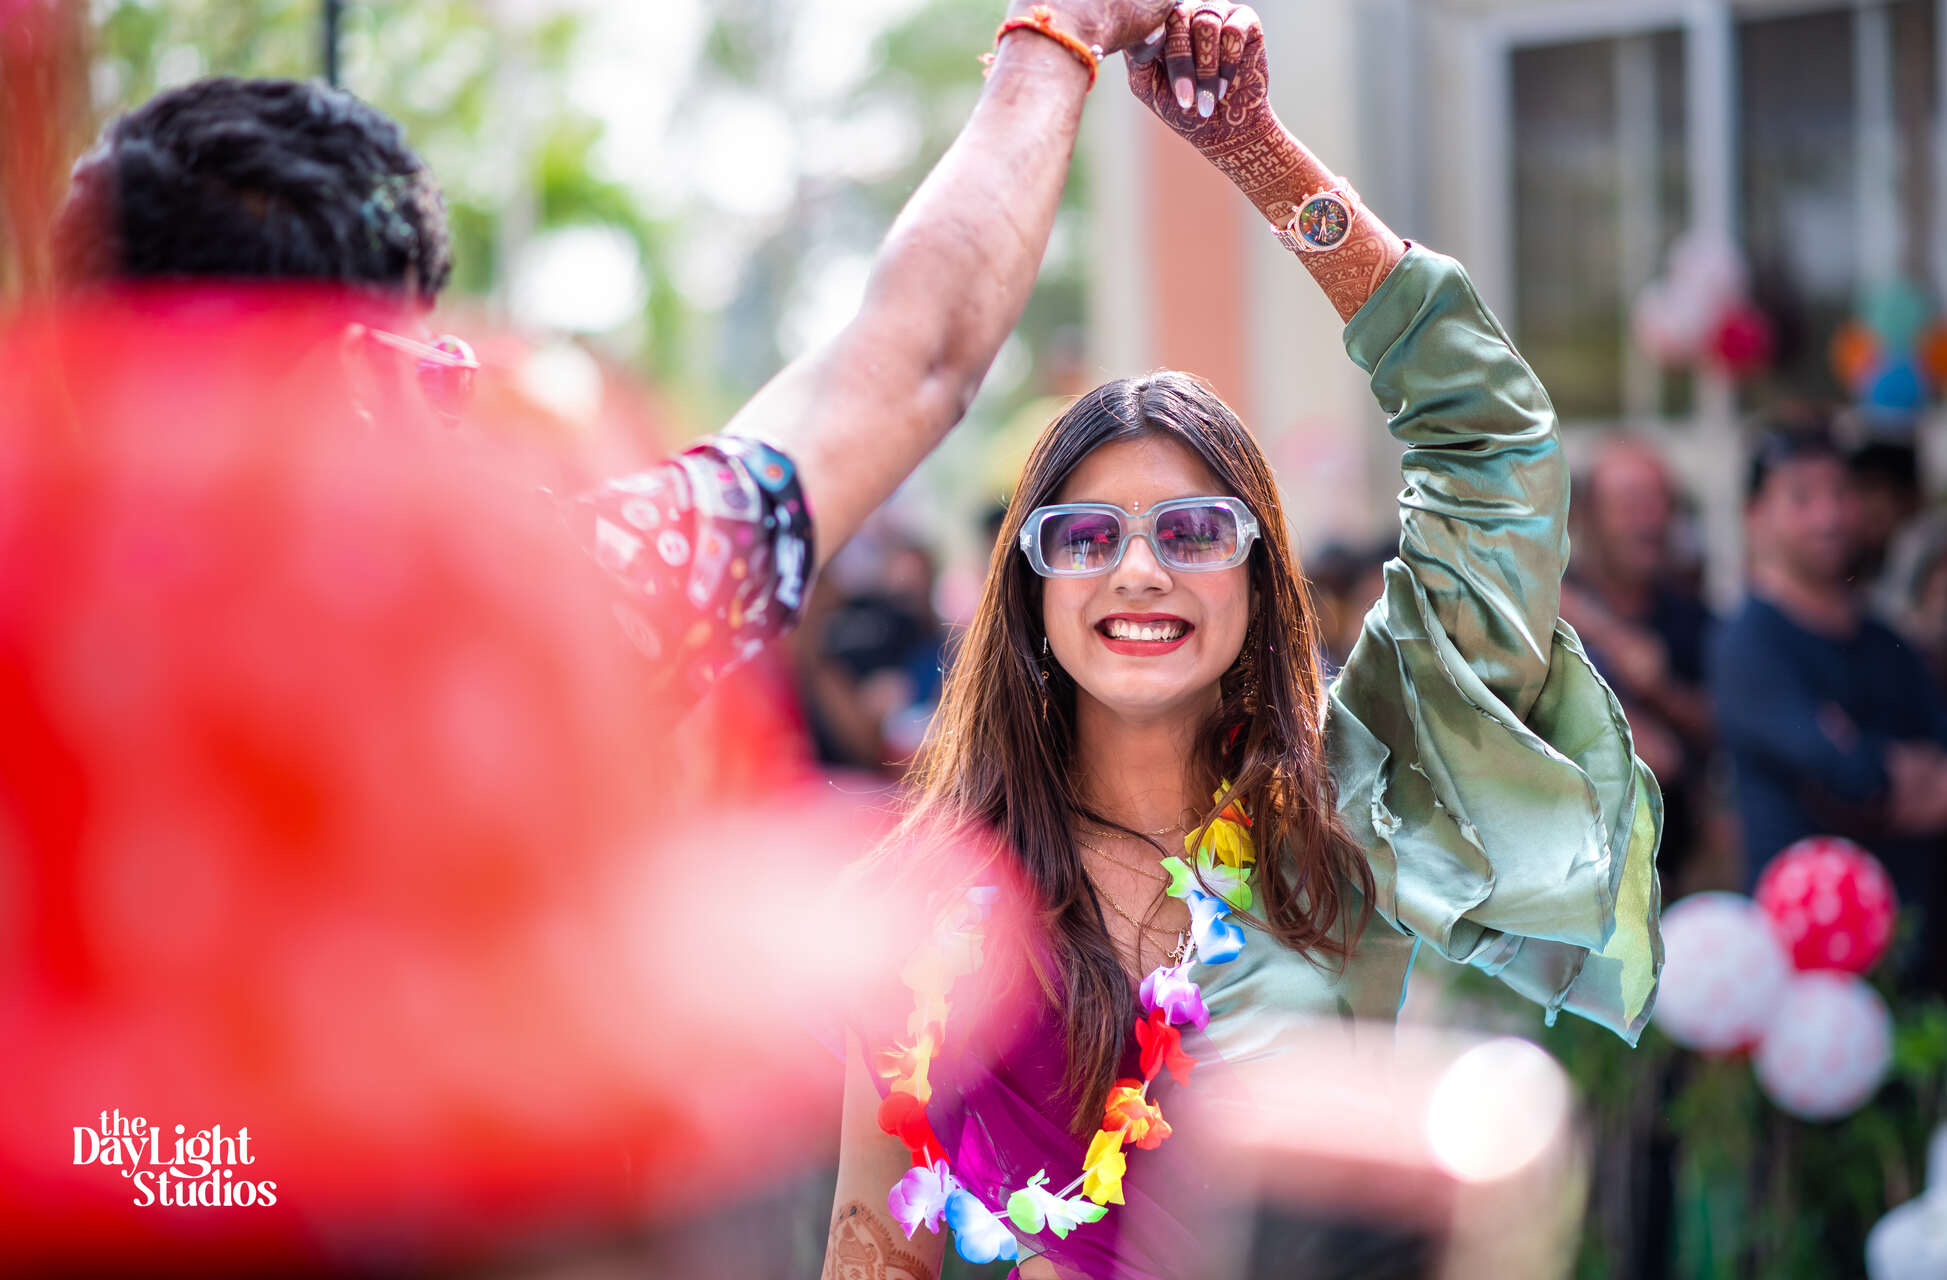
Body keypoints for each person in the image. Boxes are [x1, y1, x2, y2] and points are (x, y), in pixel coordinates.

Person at [824, 5, 1662, 1277]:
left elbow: (1494, 450)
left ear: (1261, 575)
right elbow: (872, 1241)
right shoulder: (926, 894)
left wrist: (1263, 160)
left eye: (1198, 528)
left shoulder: (1347, 810)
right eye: (1089, 536)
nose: (1143, 568)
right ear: (1033, 592)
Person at [50, 0, 1177, 705]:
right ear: (355, 379)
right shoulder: (522, 618)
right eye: (432, 371)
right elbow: (908, 364)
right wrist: (1062, 30)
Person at [1712, 427, 1947, 988]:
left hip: (1918, 953)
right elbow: (1847, 775)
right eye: (1801, 498)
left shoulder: (1886, 641)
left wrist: (1873, 768)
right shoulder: (1750, 643)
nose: (1829, 516)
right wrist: (1881, 774)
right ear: (1755, 517)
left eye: (1841, 493)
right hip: (1806, 970)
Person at [1560, 438, 1715, 889]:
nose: (1648, 521)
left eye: (1658, 503)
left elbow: (1722, 720)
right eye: (1629, 504)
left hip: (1675, 871)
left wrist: (1658, 690)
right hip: (1575, 876)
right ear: (1588, 517)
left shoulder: (1692, 616)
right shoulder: (1548, 607)